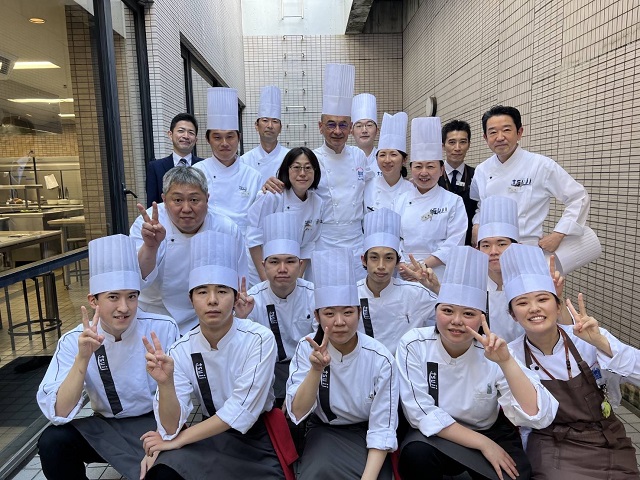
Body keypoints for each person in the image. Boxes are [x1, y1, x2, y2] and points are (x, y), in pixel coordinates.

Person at [140, 230, 295, 480]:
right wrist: (165, 384)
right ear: (191, 299)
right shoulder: (180, 349)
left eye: (222, 291)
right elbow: (170, 427)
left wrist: (178, 440)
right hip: (208, 434)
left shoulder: (259, 339)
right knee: (162, 474)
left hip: (256, 437)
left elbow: (241, 410)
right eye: (202, 292)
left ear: (235, 297)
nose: (212, 300)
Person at [396, 246, 558, 480]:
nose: (457, 321)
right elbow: (419, 413)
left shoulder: (494, 351)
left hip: (488, 429)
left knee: (517, 474)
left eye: (469, 314)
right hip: (436, 436)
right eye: (448, 311)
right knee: (416, 455)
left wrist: (506, 362)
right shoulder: (414, 343)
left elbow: (538, 414)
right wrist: (483, 444)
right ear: (436, 310)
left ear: (482, 319)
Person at [36, 235, 179, 480]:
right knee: (52, 441)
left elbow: (182, 392)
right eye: (113, 297)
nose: (124, 307)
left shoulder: (163, 328)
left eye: (132, 296)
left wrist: (165, 434)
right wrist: (82, 359)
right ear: (93, 301)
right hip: (105, 426)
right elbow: (58, 411)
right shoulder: (73, 340)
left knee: (166, 475)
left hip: (156, 423)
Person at [502, 244, 640, 479]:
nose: (534, 308)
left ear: (558, 306)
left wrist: (601, 343)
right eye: (522, 303)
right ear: (513, 315)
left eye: (542, 299)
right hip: (550, 443)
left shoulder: (587, 336)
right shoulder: (510, 356)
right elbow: (528, 417)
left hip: (606, 438)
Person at [286, 248, 398, 479]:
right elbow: (297, 412)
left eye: (347, 312)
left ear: (359, 312)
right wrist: (316, 370)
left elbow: (382, 428)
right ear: (317, 316)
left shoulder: (381, 358)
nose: (339, 322)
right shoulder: (306, 348)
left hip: (367, 433)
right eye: (329, 314)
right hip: (324, 431)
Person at [262, 64, 371, 281]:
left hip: (357, 243)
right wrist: (269, 184)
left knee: (357, 295)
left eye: (343, 125)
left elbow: (369, 193)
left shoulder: (359, 156)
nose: (337, 131)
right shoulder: (310, 160)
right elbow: (287, 188)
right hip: (323, 242)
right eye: (331, 124)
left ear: (350, 127)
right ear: (320, 126)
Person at [131, 166, 247, 335]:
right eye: (177, 200)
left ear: (207, 199)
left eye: (194, 200)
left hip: (206, 319)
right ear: (164, 200)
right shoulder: (148, 224)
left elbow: (240, 282)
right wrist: (150, 247)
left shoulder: (225, 228)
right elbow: (136, 280)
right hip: (154, 314)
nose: (186, 208)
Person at [470, 105, 590, 251]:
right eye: (493, 132)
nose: (500, 137)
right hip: (490, 252)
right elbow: (481, 204)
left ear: (519, 132)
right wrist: (476, 224)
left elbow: (578, 197)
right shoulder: (481, 170)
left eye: (506, 130)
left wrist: (558, 234)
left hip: (526, 248)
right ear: (485, 137)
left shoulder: (540, 165)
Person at [236, 212, 316, 403]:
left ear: (300, 265)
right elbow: (243, 352)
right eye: (274, 262)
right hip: (267, 370)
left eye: (290, 261)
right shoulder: (252, 300)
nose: (282, 269)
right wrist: (240, 319)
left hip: (308, 367)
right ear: (263, 265)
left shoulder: (314, 295)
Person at [394, 116, 467, 280]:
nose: (424, 172)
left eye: (431, 166)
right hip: (405, 271)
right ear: (411, 168)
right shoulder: (399, 200)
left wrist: (422, 266)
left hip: (439, 272)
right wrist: (403, 266)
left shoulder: (454, 201)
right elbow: (393, 238)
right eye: (418, 166)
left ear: (441, 170)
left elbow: (454, 242)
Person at [357, 208, 438, 354]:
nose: (381, 266)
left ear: (397, 262)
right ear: (364, 260)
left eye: (388, 258)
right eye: (374, 257)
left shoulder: (416, 294)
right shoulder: (351, 295)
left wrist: (436, 288)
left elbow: (456, 314)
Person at [246, 147, 322, 281]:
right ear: (287, 170)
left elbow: (308, 246)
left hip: (291, 274)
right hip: (262, 272)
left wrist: (296, 280)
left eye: (308, 168)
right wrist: (266, 280)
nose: (302, 173)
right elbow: (254, 239)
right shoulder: (271, 196)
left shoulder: (317, 202)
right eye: (296, 167)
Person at [194, 87, 262, 236]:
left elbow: (257, 220)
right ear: (208, 139)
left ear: (239, 138)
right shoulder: (196, 172)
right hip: (207, 240)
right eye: (217, 137)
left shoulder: (253, 176)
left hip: (244, 244)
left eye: (230, 136)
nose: (224, 143)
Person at [146, 113, 203, 207]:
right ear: (170, 134)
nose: (186, 136)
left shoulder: (204, 165)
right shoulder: (155, 168)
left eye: (191, 133)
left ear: (196, 139)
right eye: (181, 131)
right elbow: (153, 205)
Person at [364, 112, 415, 212]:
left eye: (393, 154)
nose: (387, 160)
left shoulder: (412, 190)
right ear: (376, 158)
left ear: (404, 160)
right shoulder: (367, 187)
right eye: (382, 155)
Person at [240, 86, 290, 183]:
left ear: (280, 128)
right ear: (256, 125)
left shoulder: (290, 157)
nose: (270, 126)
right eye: (265, 120)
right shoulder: (245, 160)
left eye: (275, 121)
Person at [438, 119, 477, 245]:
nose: (457, 148)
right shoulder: (432, 177)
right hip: (438, 244)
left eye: (463, 142)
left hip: (468, 243)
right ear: (443, 146)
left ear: (469, 145)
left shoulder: (477, 175)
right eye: (452, 142)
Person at [351, 93, 380, 175]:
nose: (364, 130)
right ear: (352, 132)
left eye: (369, 125)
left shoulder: (385, 160)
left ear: (377, 131)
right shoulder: (346, 159)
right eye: (359, 126)